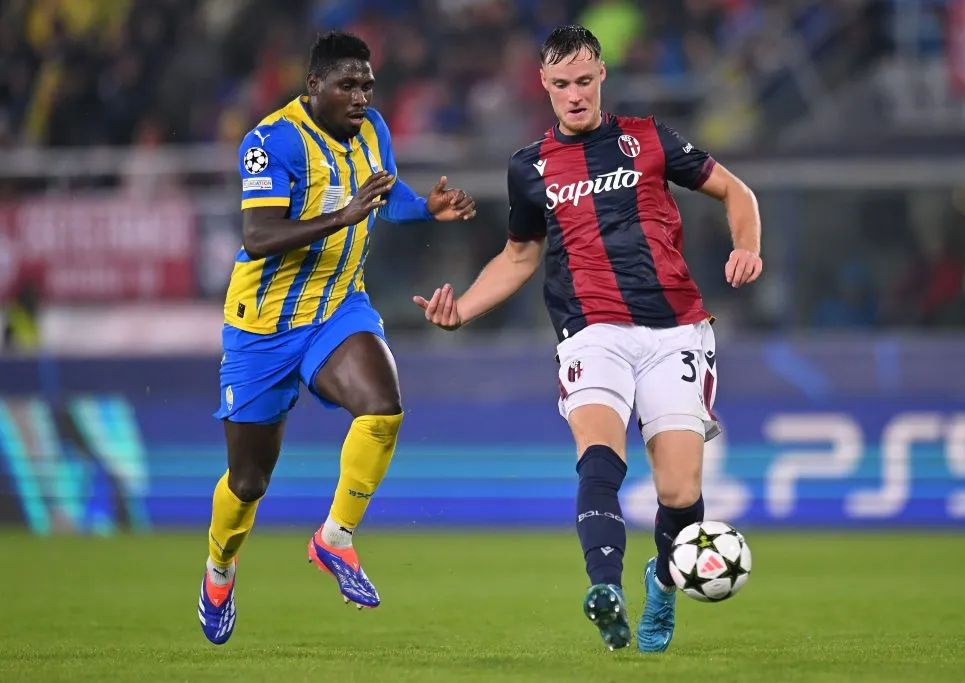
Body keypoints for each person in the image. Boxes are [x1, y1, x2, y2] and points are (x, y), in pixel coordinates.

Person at [413, 25, 761, 653]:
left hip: (674, 329)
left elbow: (737, 191)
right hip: (589, 330)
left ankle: (660, 582)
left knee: (680, 493)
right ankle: (607, 590)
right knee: (600, 452)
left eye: (582, 81)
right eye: (559, 85)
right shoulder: (529, 167)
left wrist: (747, 246)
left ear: (602, 76)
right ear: (543, 86)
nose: (573, 95)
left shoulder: (650, 140)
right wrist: (461, 309)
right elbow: (520, 256)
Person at [198, 31, 476, 646]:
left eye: (367, 84)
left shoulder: (373, 128)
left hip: (337, 309)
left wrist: (425, 208)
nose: (360, 96)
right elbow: (257, 236)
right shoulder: (271, 141)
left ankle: (335, 539)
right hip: (261, 328)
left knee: (384, 405)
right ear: (313, 87)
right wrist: (343, 215)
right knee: (248, 483)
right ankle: (220, 568)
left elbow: (384, 197)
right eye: (347, 85)